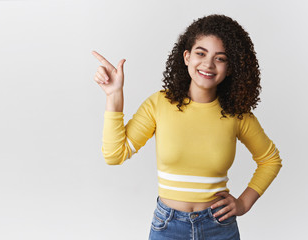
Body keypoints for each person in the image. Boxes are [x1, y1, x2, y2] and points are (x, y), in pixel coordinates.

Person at [92, 14, 282, 240]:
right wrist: (114, 95)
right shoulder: (159, 104)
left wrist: (244, 203)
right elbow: (114, 155)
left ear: (230, 68)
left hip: (219, 227)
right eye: (201, 53)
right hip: (168, 227)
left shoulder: (237, 115)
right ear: (186, 56)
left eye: (220, 58)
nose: (208, 64)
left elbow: (270, 160)